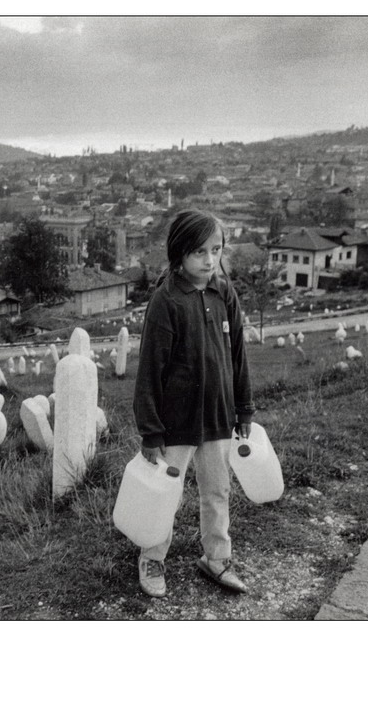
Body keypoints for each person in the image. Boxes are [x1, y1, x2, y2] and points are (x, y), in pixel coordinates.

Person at [131, 209, 255, 598]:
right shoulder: (166, 301)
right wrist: (151, 431)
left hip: (219, 417)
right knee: (165, 493)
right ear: (179, 253)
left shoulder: (224, 293)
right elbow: (150, 369)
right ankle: (152, 558)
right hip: (176, 423)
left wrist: (244, 408)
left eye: (216, 250)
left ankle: (217, 558)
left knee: (217, 491)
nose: (209, 259)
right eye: (200, 251)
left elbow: (237, 354)